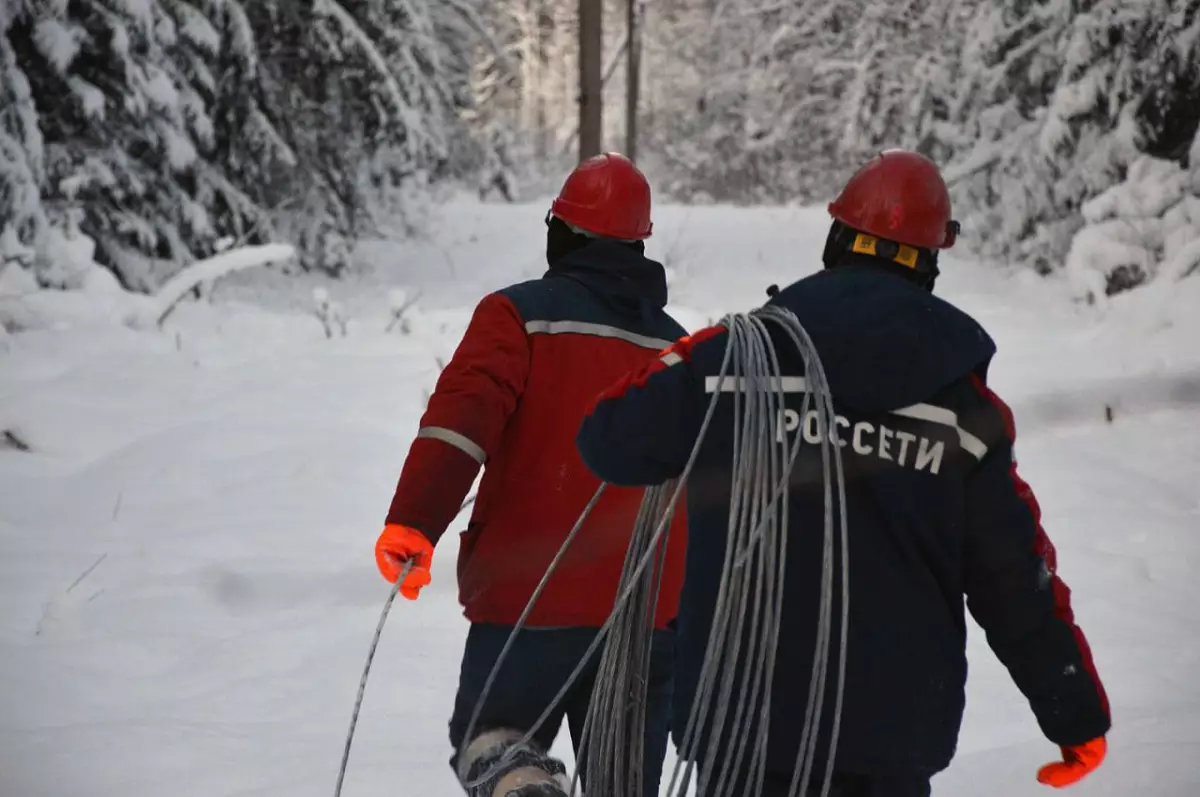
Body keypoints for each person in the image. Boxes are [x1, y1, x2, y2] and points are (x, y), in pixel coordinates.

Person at [575, 150, 1111, 797]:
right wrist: (1072, 708)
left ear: (836, 239)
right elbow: (1016, 575)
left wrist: (695, 357)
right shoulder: (966, 412)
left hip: (741, 731)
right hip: (890, 740)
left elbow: (608, 438)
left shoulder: (733, 362)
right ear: (929, 264)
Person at [374, 152, 688, 797]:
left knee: (493, 746)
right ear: (639, 245)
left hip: (530, 592)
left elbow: (458, 426)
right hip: (647, 612)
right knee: (623, 783)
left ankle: (521, 787)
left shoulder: (516, 315)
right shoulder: (679, 350)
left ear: (562, 232)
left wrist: (413, 523)